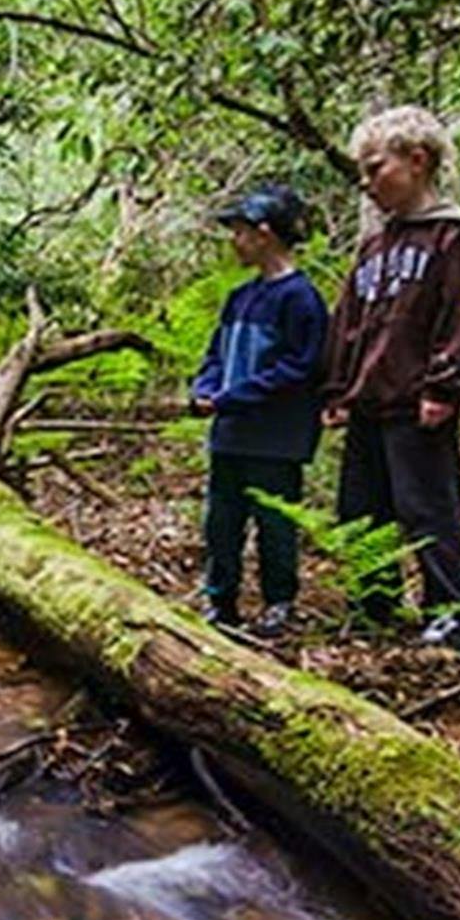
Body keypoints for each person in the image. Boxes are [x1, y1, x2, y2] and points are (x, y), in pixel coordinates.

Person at [321, 106, 460, 648]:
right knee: (361, 510)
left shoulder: (450, 236)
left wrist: (445, 385)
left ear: (417, 161)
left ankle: (453, 612)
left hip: (417, 401)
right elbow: (349, 322)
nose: (367, 184)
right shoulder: (375, 245)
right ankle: (374, 603)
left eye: (375, 169)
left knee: (428, 508)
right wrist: (337, 388)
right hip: (369, 398)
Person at [188, 184, 329, 639]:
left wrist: (233, 396)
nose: (234, 240)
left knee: (276, 524)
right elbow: (215, 353)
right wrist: (205, 388)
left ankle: (278, 603)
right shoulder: (239, 298)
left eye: (240, 231)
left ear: (265, 234)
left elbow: (300, 368)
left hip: (277, 438)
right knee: (221, 523)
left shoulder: (301, 299)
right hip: (230, 434)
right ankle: (220, 601)